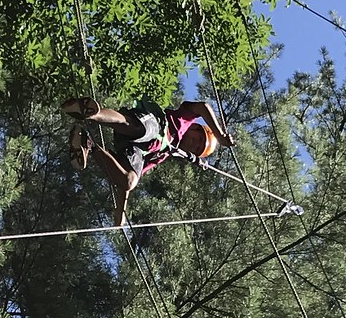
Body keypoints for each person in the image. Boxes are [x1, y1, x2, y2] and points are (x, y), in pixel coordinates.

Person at [62, 96, 236, 226]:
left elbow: (129, 179)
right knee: (143, 130)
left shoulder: (164, 155)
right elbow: (203, 107)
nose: (194, 144)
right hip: (151, 124)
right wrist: (220, 135)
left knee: (129, 181)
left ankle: (88, 145)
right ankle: (92, 114)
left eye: (197, 148)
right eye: (198, 139)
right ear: (195, 128)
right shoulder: (182, 120)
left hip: (136, 148)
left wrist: (120, 211)